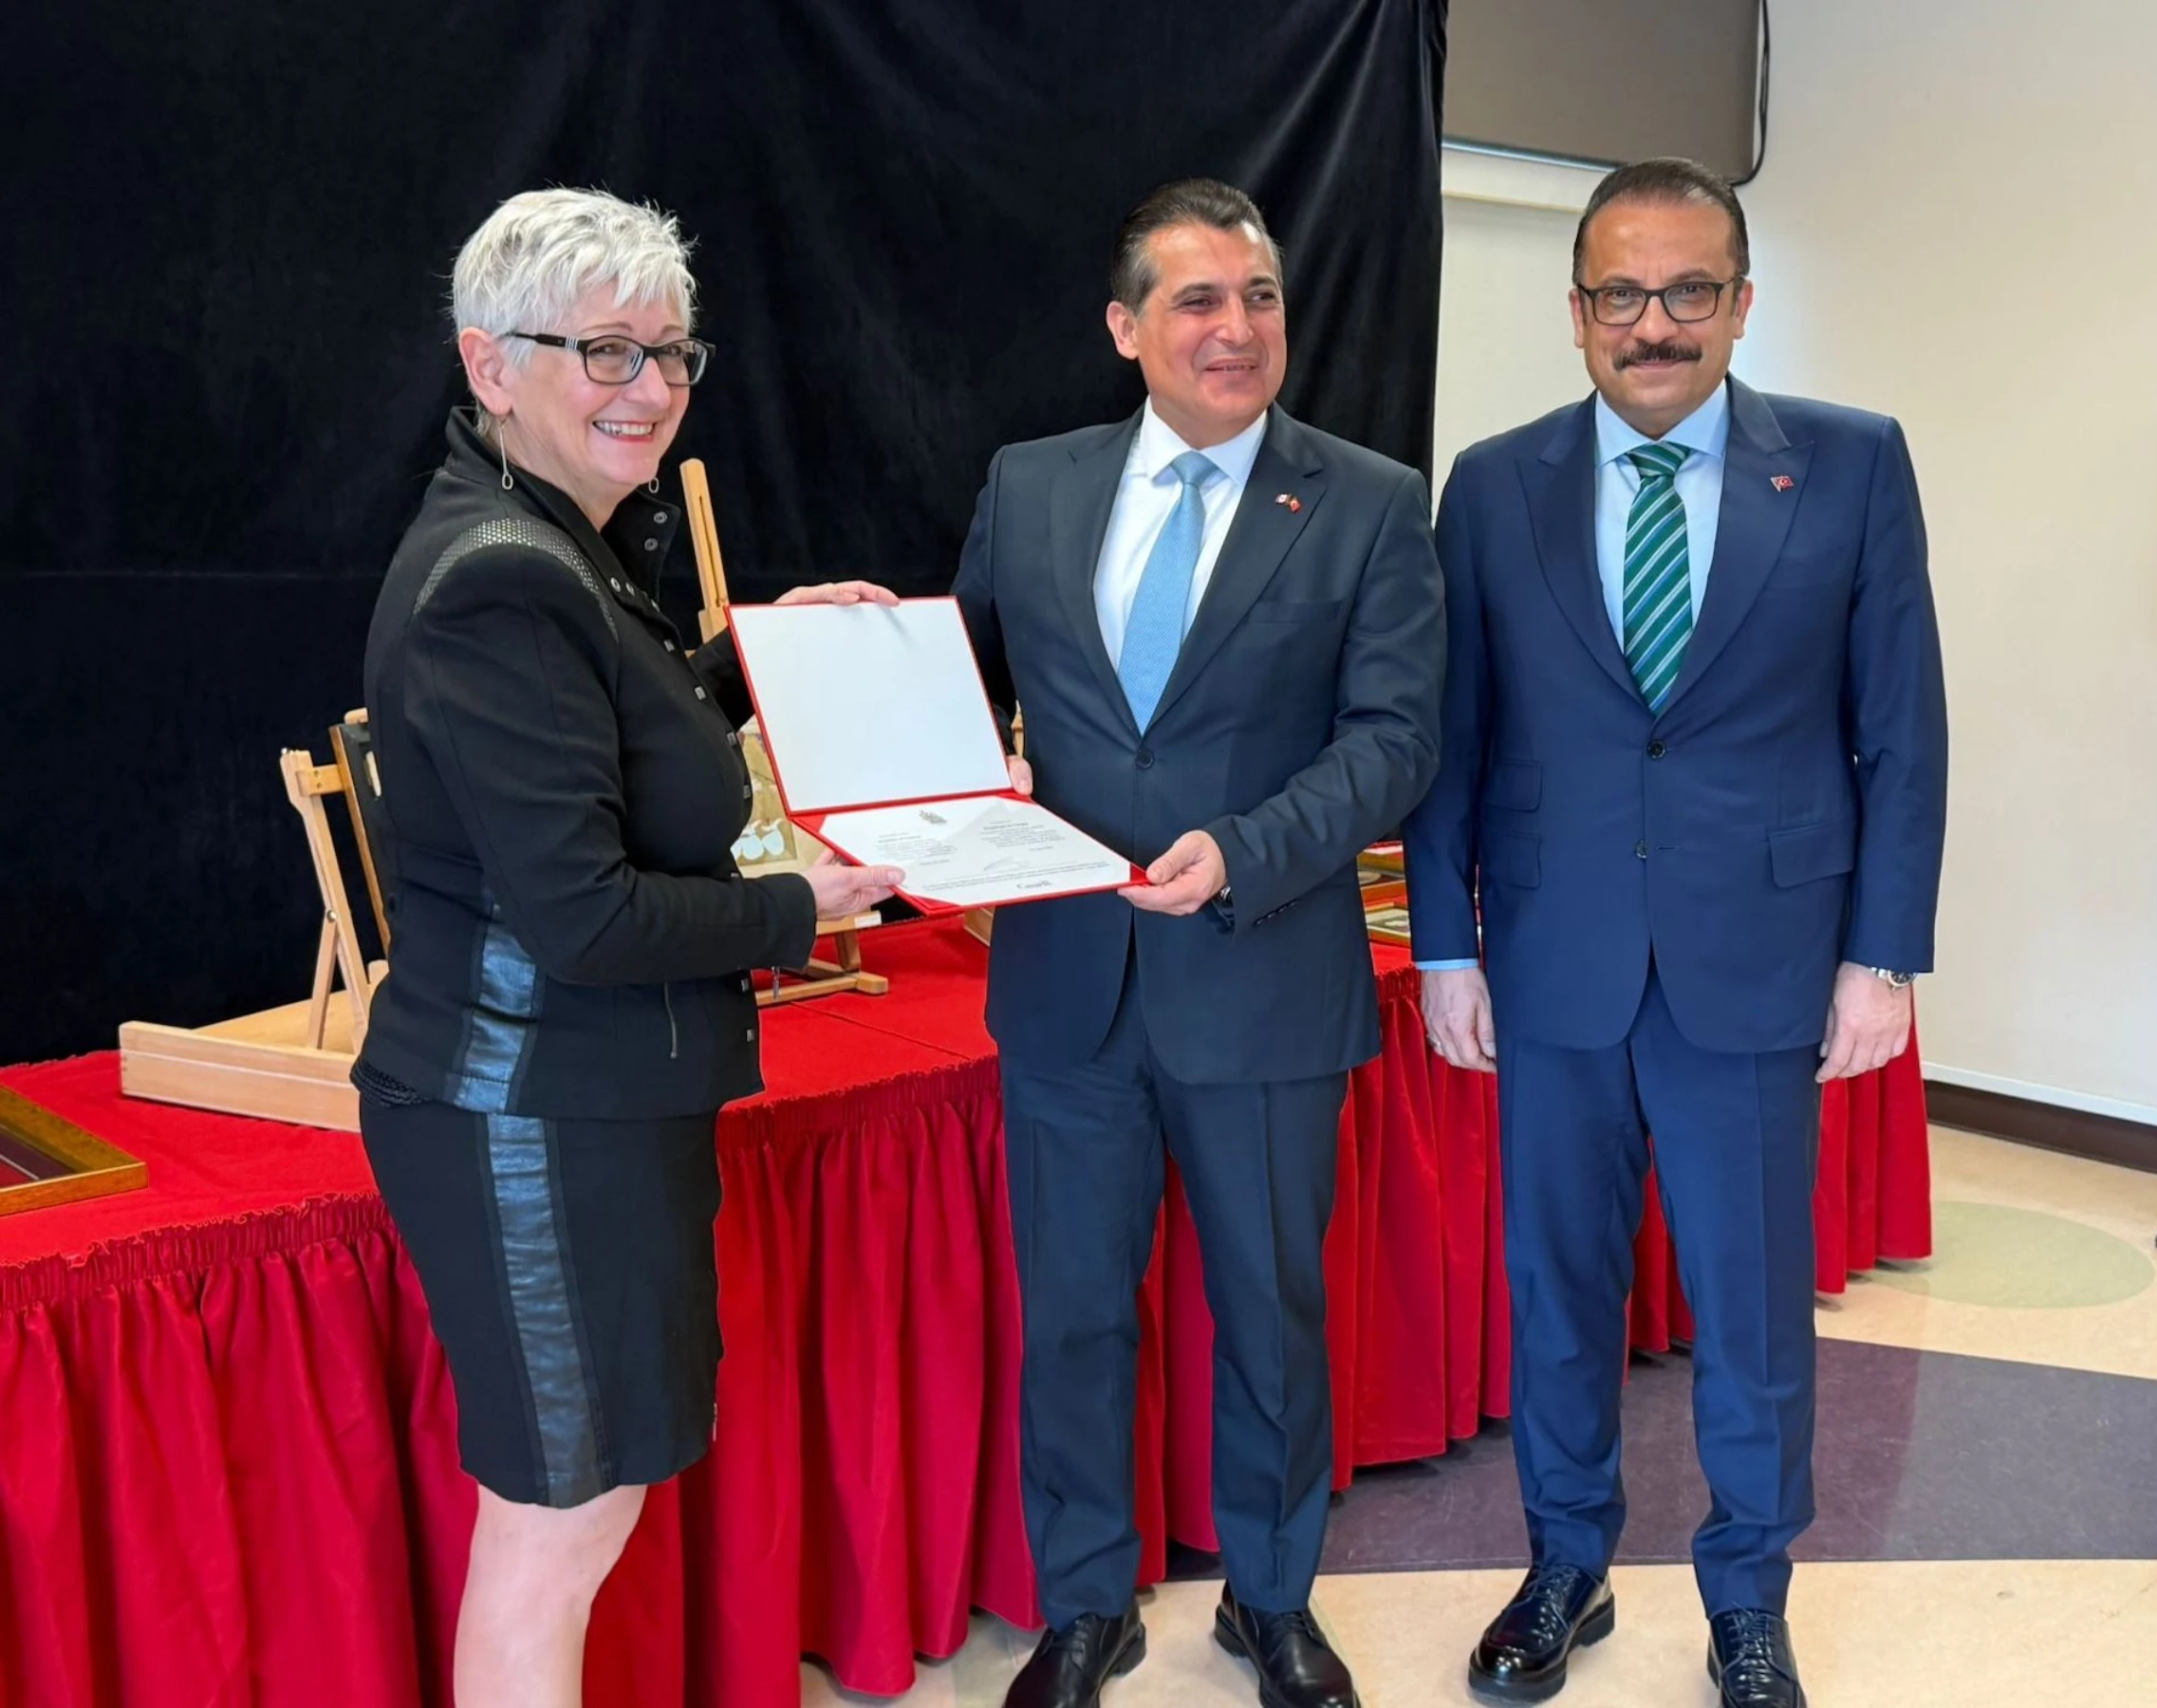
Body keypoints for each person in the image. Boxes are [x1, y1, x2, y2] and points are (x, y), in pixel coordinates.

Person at [1404, 158, 1946, 1708]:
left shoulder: (1849, 465)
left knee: (1754, 1310)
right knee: (1559, 1293)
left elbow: (1901, 730)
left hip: (1758, 965)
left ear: (1742, 302)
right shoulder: (1492, 485)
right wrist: (1446, 947)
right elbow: (1455, 737)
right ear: (1577, 310)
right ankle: (1563, 1565)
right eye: (1622, 294)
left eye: (1689, 290)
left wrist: (1881, 957)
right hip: (1553, 961)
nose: (1656, 324)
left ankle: (1749, 1598)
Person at [351, 187, 902, 1708]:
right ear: (491, 363)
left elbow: (608, 735)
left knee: (581, 1510)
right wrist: (802, 906)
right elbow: (588, 919)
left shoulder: (552, 540)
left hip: (576, 1104)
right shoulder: (505, 574)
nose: (648, 388)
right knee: (558, 1526)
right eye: (605, 351)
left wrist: (750, 658)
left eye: (668, 353)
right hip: (529, 1114)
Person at [952, 177, 1443, 1708]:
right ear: (1126, 328)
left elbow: (1396, 741)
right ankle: (1084, 1605)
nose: (1237, 328)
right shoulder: (1031, 485)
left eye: (1260, 298)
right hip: (1068, 992)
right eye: (1198, 300)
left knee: (1272, 1324)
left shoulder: (1368, 500)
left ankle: (1271, 1600)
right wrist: (859, 646)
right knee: (1075, 1317)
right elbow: (961, 693)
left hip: (1265, 977)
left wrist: (1249, 849)